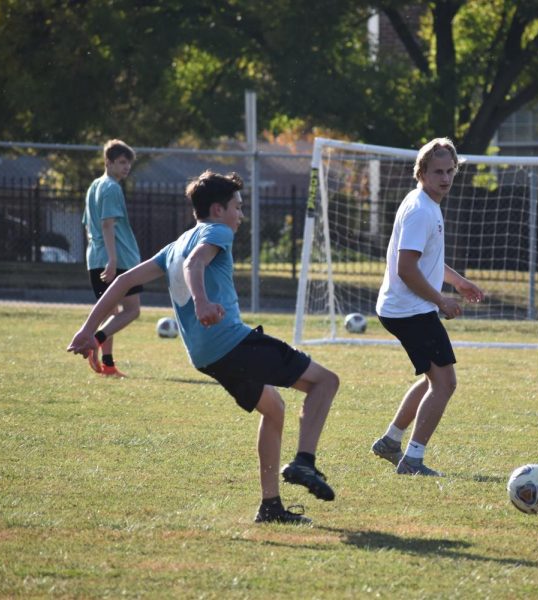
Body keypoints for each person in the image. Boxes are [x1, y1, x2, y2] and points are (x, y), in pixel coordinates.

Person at [68, 170, 339, 524]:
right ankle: (305, 462)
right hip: (232, 342)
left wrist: (89, 330)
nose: (240, 215)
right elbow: (197, 263)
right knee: (325, 382)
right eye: (237, 207)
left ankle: (270, 506)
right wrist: (201, 303)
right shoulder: (217, 231)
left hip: (205, 356)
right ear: (217, 209)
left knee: (273, 409)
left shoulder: (175, 244)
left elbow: (122, 281)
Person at [370, 138, 485, 476]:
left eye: (450, 171)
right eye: (438, 171)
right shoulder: (421, 210)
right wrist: (441, 300)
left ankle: (392, 441)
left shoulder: (425, 202)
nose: (446, 178)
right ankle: (413, 460)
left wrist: (458, 282)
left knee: (433, 379)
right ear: (421, 172)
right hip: (411, 309)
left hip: (405, 307)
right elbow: (407, 269)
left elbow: (426, 261)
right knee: (445, 383)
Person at [81, 139, 143, 377]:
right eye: (121, 162)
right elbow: (107, 224)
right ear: (108, 162)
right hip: (118, 259)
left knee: (110, 312)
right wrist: (113, 259)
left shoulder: (94, 186)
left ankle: (107, 365)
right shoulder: (111, 188)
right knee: (132, 310)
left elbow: (89, 224)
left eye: (128, 163)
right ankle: (94, 340)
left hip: (95, 257)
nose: (126, 167)